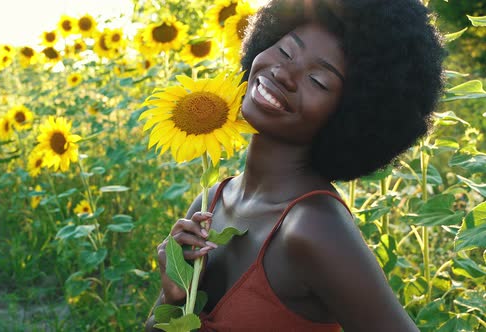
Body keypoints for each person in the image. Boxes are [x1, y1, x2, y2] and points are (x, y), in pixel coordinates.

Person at [146, 0, 444, 330]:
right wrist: (174, 296)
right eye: (286, 51)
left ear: (351, 116)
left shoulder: (313, 228)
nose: (283, 74)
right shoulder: (212, 201)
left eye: (317, 81)